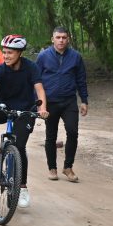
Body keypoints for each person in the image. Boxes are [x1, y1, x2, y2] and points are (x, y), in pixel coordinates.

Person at [0, 35, 48, 208]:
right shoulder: (1, 69)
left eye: (10, 52)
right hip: (5, 107)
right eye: (4, 52)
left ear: (19, 53)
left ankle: (22, 187)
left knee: (19, 147)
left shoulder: (31, 68)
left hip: (25, 111)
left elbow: (39, 89)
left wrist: (42, 109)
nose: (6, 56)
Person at [36, 26, 88, 182]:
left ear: (68, 39)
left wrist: (84, 100)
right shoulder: (43, 56)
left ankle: (68, 167)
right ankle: (52, 168)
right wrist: (40, 104)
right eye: (58, 37)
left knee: (73, 132)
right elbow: (36, 81)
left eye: (64, 37)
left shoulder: (76, 57)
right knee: (50, 136)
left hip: (69, 101)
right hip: (50, 102)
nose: (61, 40)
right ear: (53, 39)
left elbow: (81, 80)